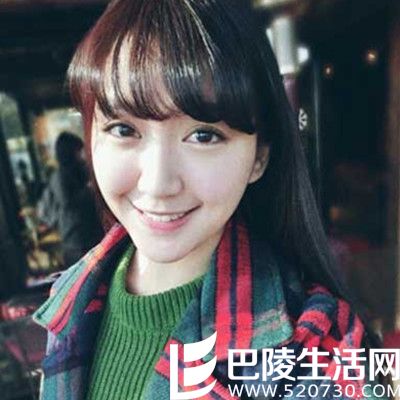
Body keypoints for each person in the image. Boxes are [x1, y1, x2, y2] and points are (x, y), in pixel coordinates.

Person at [33, 1, 387, 399]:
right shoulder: (70, 299)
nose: (159, 184)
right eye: (123, 129)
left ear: (259, 158)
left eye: (204, 135)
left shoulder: (318, 349)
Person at [37, 131, 103, 267]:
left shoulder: (81, 170)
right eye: (79, 151)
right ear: (70, 152)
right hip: (76, 240)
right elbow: (68, 204)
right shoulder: (60, 176)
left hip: (89, 234)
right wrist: (89, 189)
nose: (82, 154)